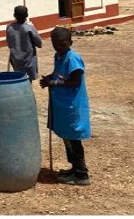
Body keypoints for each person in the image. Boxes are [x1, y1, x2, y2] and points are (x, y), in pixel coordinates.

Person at [41, 26, 91, 186]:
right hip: (62, 106)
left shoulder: (73, 58)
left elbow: (74, 81)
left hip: (72, 107)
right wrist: (49, 78)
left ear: (70, 42)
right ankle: (74, 168)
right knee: (67, 139)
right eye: (55, 44)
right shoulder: (59, 56)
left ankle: (82, 174)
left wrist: (54, 82)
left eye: (62, 44)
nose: (59, 47)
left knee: (73, 140)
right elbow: (59, 74)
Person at [6, 5, 43, 79]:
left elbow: (8, 42)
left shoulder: (9, 27)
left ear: (14, 15)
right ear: (27, 15)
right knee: (28, 80)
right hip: (28, 60)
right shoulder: (29, 28)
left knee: (19, 79)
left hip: (16, 60)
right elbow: (39, 43)